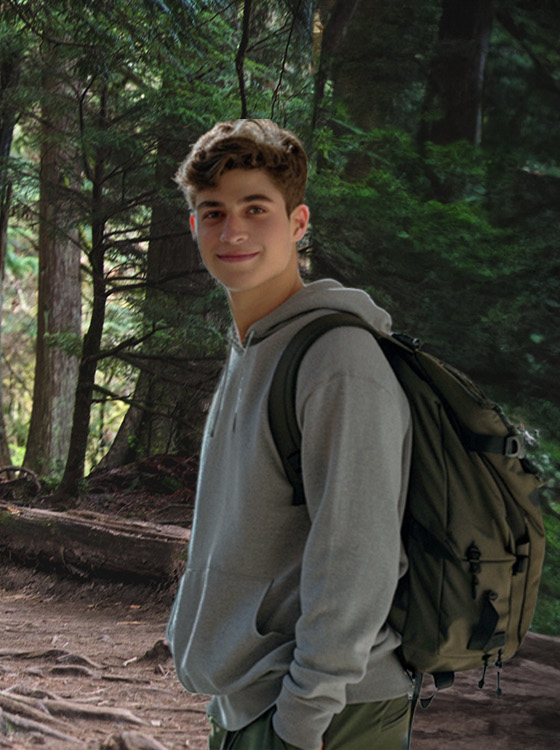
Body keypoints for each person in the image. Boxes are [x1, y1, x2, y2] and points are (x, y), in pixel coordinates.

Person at [165, 119, 417, 750]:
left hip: (327, 716)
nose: (234, 230)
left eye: (257, 208)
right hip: (252, 702)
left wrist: (302, 718)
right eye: (213, 211)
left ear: (299, 223)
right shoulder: (253, 346)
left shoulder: (339, 360)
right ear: (194, 226)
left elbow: (358, 553)